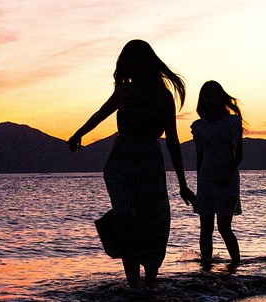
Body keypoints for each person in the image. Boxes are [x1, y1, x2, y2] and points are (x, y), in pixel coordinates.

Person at [68, 40, 195, 288]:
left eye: (134, 61)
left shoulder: (162, 97)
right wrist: (79, 133)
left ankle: (149, 285)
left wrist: (183, 184)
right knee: (127, 221)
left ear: (147, 62)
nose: (129, 66)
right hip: (121, 161)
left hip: (149, 162)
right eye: (126, 62)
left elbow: (173, 141)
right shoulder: (124, 91)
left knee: (152, 221)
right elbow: (100, 113)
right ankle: (134, 288)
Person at [190, 80, 243, 265]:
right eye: (207, 96)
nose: (211, 99)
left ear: (221, 98)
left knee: (224, 227)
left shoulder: (232, 122)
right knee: (205, 227)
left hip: (227, 178)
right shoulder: (199, 126)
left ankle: (236, 263)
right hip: (206, 179)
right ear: (202, 100)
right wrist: (199, 181)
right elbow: (199, 156)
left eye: (215, 96)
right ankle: (206, 265)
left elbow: (239, 154)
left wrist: (229, 173)